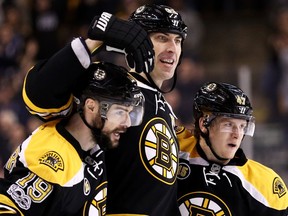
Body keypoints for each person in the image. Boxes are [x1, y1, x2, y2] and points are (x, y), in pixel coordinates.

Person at [0, 11, 153, 214]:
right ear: (90, 106)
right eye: (120, 112)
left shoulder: (93, 145)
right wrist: (90, 44)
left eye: (130, 112)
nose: (126, 122)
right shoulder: (54, 159)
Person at [176, 81, 288, 215]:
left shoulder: (262, 184)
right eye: (228, 125)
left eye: (242, 126)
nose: (237, 134)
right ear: (204, 124)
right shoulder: (174, 148)